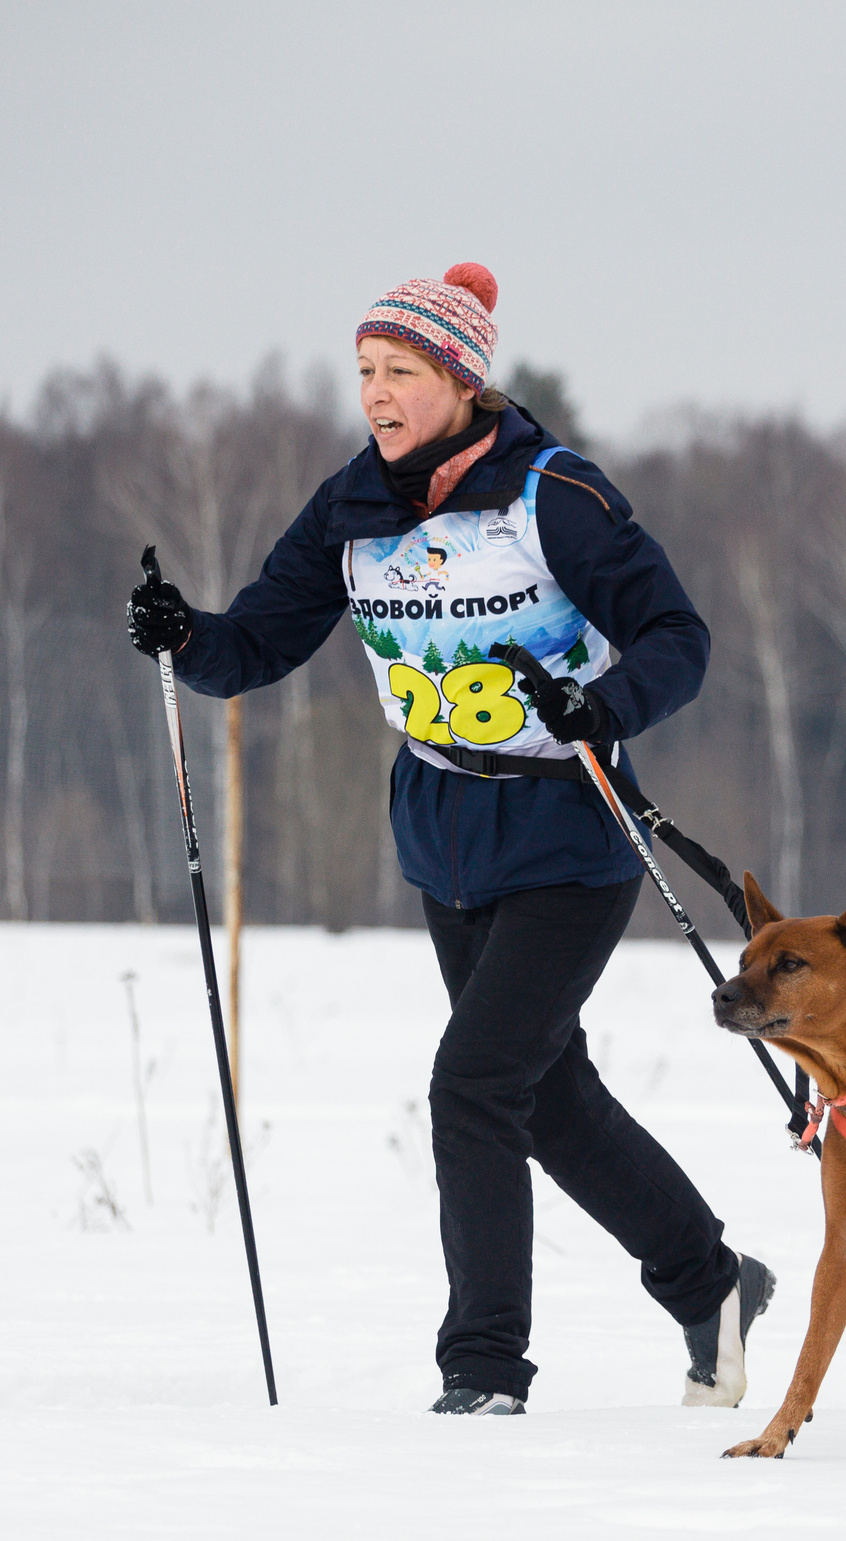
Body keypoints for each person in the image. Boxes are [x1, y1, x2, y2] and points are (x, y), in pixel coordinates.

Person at [126, 263, 774, 1416]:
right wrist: (188, 636)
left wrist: (607, 707)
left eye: (402, 373)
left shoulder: (552, 496)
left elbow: (676, 635)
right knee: (543, 1093)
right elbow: (261, 645)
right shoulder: (352, 505)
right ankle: (712, 1284)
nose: (377, 395)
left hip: (567, 829)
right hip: (440, 830)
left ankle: (482, 1370)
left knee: (472, 1086)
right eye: (365, 372)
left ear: (462, 381)